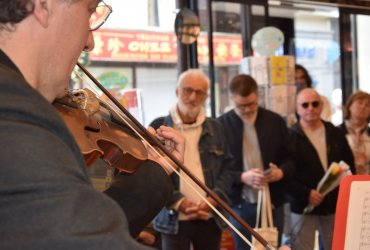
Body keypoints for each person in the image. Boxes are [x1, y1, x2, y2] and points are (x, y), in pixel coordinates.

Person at [0, 1, 186, 249]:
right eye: (89, 10)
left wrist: (156, 170)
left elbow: (72, 223)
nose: (90, 43)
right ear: (43, 6)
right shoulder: (14, 115)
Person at [150, 69, 236, 250]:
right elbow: (151, 173)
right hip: (173, 218)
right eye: (187, 90)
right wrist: (179, 202)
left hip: (209, 215)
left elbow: (229, 168)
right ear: (177, 91)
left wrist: (213, 199)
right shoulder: (158, 127)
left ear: (206, 96)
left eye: (200, 92)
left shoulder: (217, 127)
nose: (192, 97)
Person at [217, 74, 295, 250]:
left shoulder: (274, 121)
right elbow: (218, 170)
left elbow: (291, 159)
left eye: (251, 104)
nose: (246, 110)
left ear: (258, 96)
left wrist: (280, 172)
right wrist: (242, 177)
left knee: (272, 246)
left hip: (273, 201)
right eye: (240, 106)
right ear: (231, 99)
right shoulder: (221, 125)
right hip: (239, 202)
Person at [287, 88, 355, 250]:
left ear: (322, 106)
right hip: (303, 206)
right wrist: (306, 193)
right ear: (297, 109)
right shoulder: (289, 137)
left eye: (315, 104)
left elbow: (349, 165)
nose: (310, 108)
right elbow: (286, 175)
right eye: (305, 105)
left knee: (336, 246)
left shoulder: (335, 133)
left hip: (333, 204)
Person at [339, 90, 370, 174]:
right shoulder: (337, 132)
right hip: (345, 180)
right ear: (349, 106)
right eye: (360, 103)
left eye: (367, 105)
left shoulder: (368, 133)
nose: (363, 107)